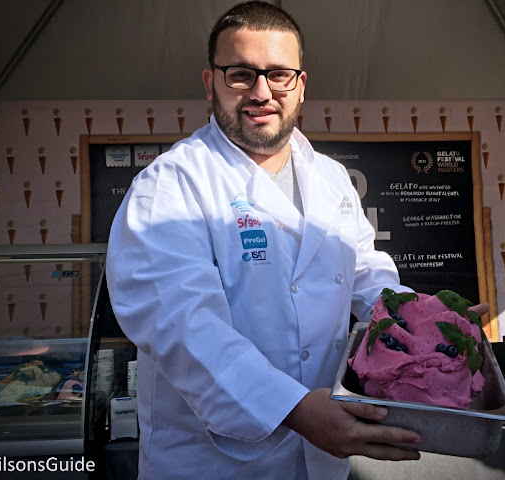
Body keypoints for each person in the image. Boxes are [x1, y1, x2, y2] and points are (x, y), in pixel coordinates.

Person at [106, 2, 432, 478]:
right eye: (241, 74)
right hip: (212, 464)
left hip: (324, 460)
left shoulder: (332, 178)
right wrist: (293, 409)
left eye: (279, 74)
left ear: (301, 84)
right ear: (210, 82)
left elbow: (365, 271)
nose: (262, 92)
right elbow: (184, 326)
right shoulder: (170, 185)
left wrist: (421, 319)